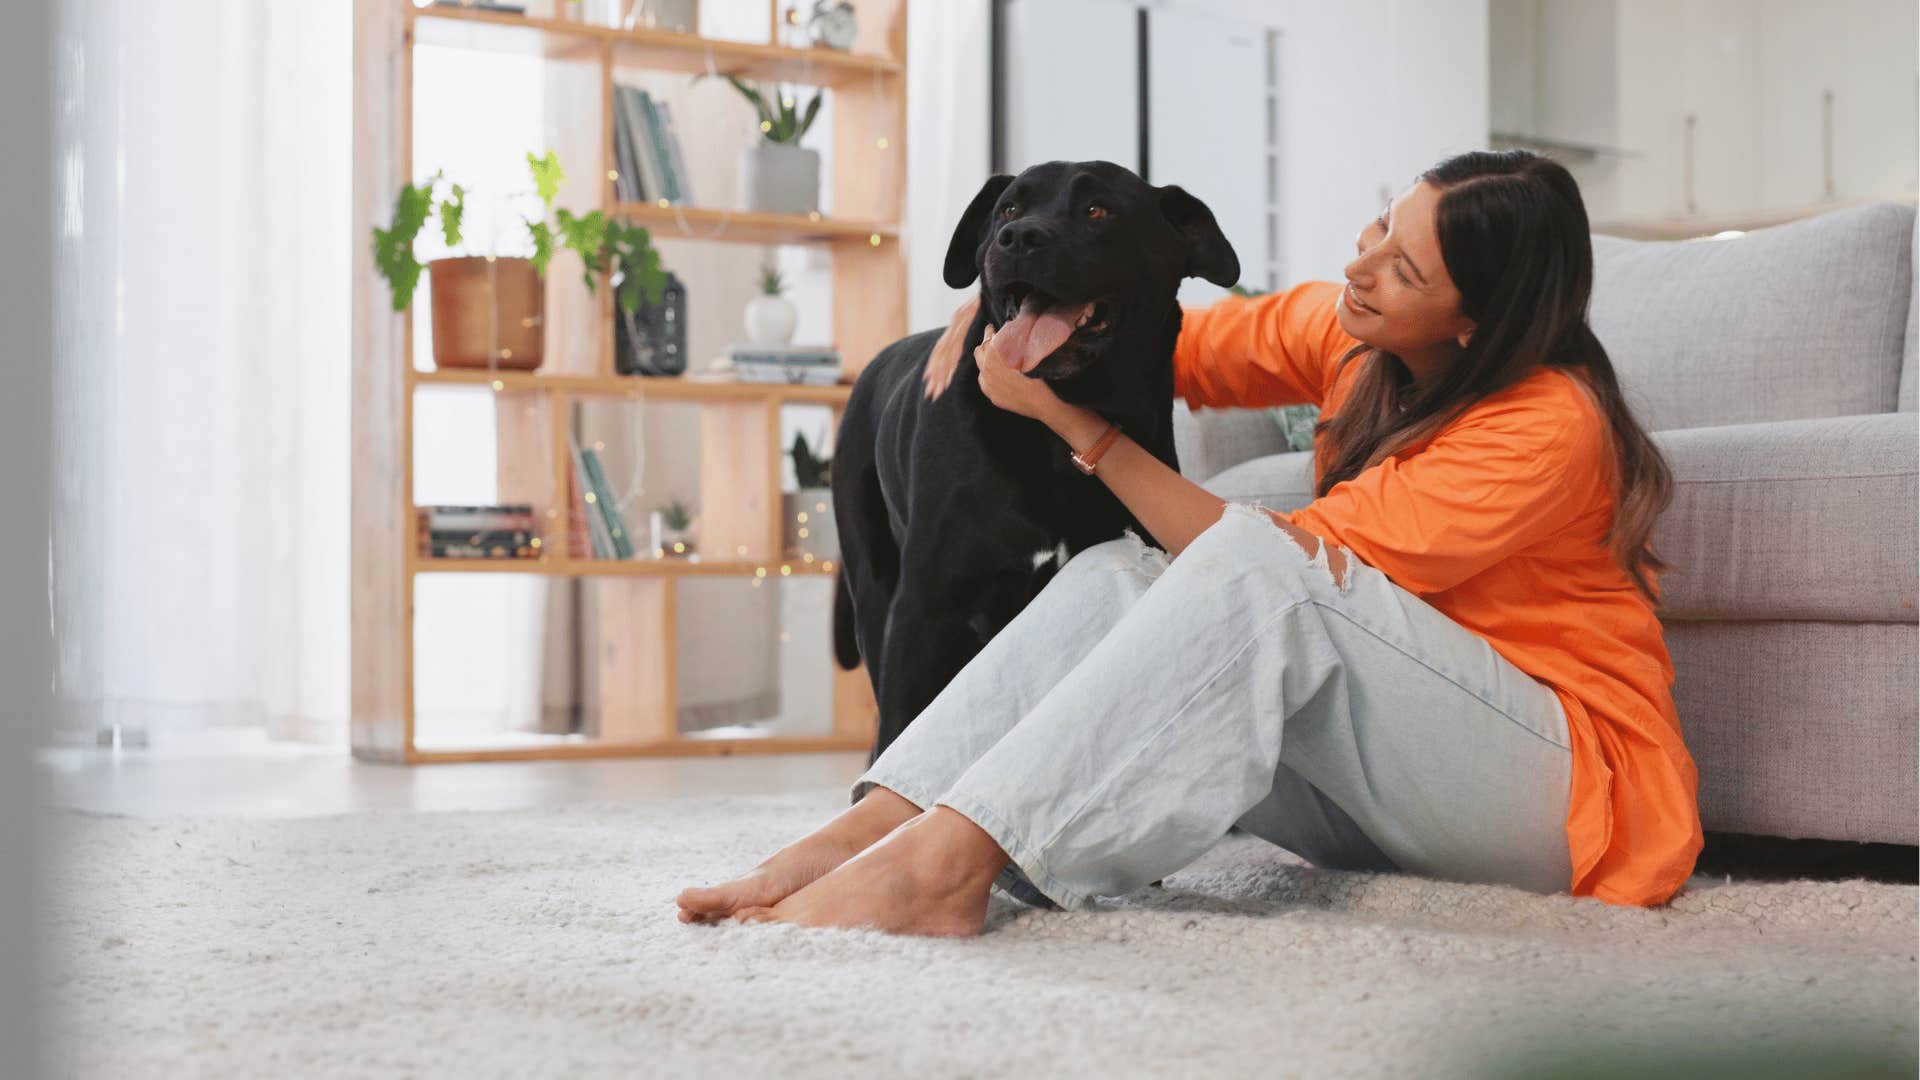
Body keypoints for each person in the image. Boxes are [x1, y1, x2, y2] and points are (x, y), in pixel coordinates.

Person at [675, 149, 1703, 937]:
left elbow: (1278, 570)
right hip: (1387, 787)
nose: (1361, 267)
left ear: (1476, 322)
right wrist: (1006, 312)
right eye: (1380, 229)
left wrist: (1077, 429)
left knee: (1262, 566)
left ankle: (941, 870)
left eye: (1404, 269)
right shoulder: (1358, 340)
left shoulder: (1548, 426)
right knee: (1118, 569)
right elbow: (1170, 337)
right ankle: (877, 826)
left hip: (1559, 801)